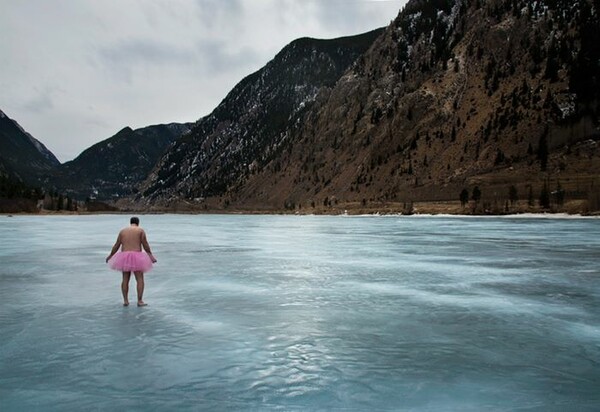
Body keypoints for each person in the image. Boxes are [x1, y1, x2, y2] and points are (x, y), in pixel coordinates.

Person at [106, 217, 157, 307]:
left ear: (130, 223)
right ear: (138, 223)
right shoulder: (140, 230)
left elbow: (116, 245)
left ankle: (125, 300)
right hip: (137, 256)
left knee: (125, 279)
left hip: (124, 257)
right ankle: (140, 301)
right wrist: (150, 255)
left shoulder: (123, 231)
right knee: (140, 279)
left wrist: (111, 255)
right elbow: (145, 244)